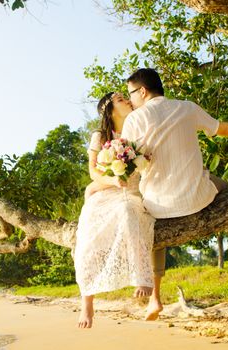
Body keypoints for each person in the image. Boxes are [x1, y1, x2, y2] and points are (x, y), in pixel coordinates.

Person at [121, 68, 228, 321]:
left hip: (157, 203)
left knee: (153, 232)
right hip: (197, 195)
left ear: (142, 91)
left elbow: (126, 162)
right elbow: (221, 129)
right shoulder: (187, 107)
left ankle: (155, 298)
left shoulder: (134, 119)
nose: (130, 100)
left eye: (130, 94)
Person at [74, 92, 156, 329]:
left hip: (131, 191)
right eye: (121, 99)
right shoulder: (100, 136)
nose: (128, 100)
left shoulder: (138, 130)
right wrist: (112, 181)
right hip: (106, 188)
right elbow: (93, 172)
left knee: (127, 212)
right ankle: (87, 301)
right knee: (88, 237)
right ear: (108, 109)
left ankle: (142, 277)